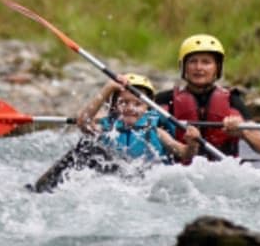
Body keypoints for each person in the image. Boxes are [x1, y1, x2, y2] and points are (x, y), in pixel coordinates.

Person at [30, 73, 198, 192]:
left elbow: (184, 154)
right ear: (115, 106)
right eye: (124, 102)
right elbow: (84, 122)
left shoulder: (157, 131)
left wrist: (192, 143)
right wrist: (108, 88)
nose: (130, 108)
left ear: (148, 107)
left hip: (145, 182)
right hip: (115, 181)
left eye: (137, 104)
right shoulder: (107, 127)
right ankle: (42, 188)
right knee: (86, 146)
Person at [155, 34, 260, 161]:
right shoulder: (164, 100)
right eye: (193, 62)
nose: (199, 68)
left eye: (206, 62)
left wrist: (243, 131)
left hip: (222, 169)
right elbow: (139, 121)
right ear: (183, 67)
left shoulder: (232, 100)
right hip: (179, 168)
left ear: (217, 68)